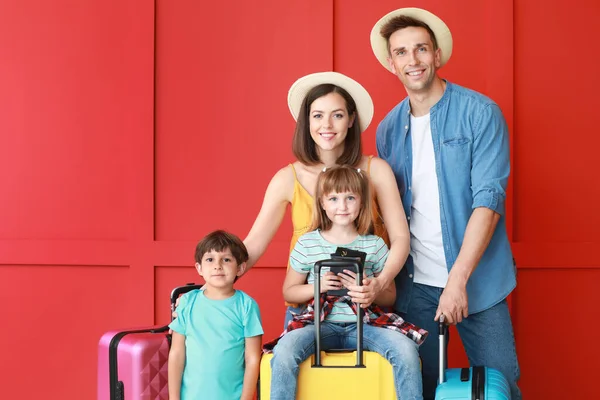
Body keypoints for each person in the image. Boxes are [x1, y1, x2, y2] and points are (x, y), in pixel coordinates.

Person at [369, 7, 521, 399]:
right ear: (391, 63)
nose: (412, 60)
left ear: (437, 55)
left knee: (499, 384)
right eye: (401, 52)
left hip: (478, 281)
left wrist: (458, 279)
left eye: (421, 49)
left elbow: (488, 201)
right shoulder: (387, 130)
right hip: (415, 286)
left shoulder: (480, 113)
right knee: (417, 387)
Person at [243, 72, 410, 327]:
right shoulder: (287, 178)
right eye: (318, 115)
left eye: (338, 115)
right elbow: (253, 243)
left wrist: (380, 282)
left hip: (368, 308)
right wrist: (211, 283)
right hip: (308, 312)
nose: (327, 125)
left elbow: (400, 238)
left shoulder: (377, 171)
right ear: (307, 122)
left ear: (352, 119)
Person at [266, 165, 427, 400]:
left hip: (365, 324)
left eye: (350, 197)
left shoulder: (374, 245)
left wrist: (369, 289)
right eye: (333, 198)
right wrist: (318, 286)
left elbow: (390, 295)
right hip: (318, 324)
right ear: (322, 203)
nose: (342, 206)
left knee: (406, 349)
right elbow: (289, 292)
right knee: (285, 351)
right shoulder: (307, 244)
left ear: (361, 202)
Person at [168, 230, 264, 400]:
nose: (217, 265)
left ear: (240, 268)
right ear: (199, 268)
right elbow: (177, 353)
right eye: (210, 259)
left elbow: (253, 358)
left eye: (226, 259)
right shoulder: (187, 302)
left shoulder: (247, 305)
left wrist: (246, 398)